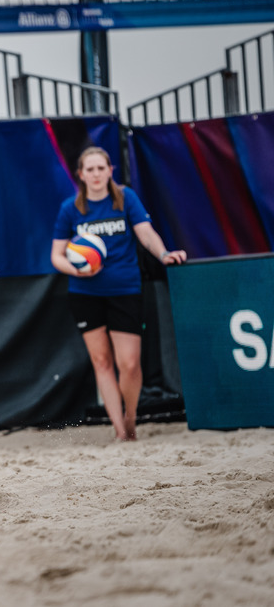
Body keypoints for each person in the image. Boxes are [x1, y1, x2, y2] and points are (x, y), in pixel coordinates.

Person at [50, 146, 186, 442]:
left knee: (130, 364)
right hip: (85, 293)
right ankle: (121, 432)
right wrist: (77, 271)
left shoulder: (125, 198)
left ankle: (130, 417)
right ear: (81, 174)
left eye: (101, 168)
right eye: (90, 169)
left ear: (110, 171)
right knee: (102, 361)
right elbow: (56, 256)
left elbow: (146, 233)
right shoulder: (70, 209)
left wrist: (164, 254)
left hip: (125, 289)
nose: (96, 174)